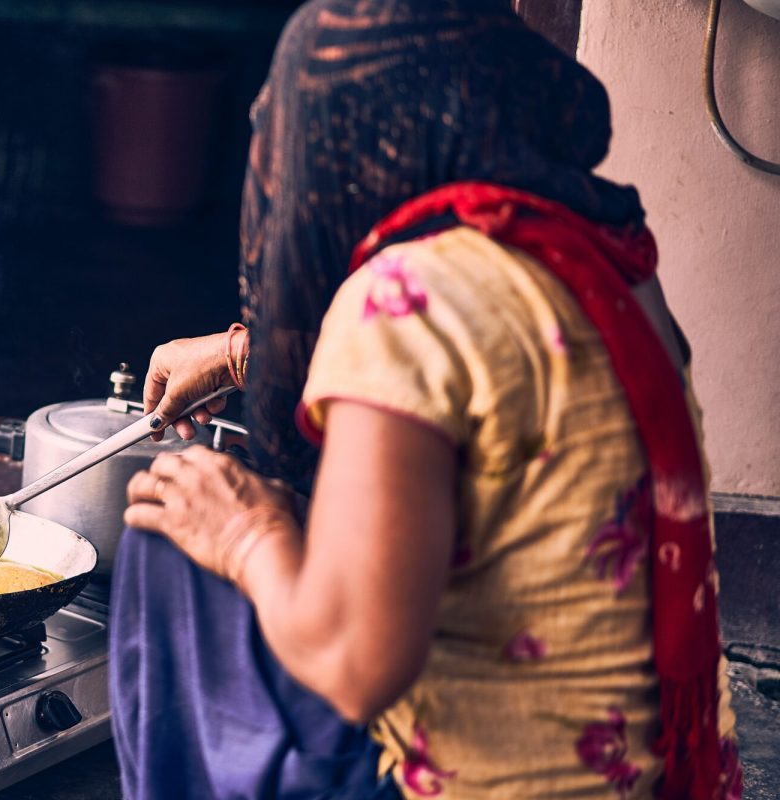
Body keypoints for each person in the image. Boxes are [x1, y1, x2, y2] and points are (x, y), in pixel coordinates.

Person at [108, 1, 743, 799]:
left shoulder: (404, 298)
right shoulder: (604, 260)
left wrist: (243, 531)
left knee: (167, 546)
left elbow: (355, 667)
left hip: (479, 781)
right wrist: (244, 355)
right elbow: (492, 380)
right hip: (647, 771)